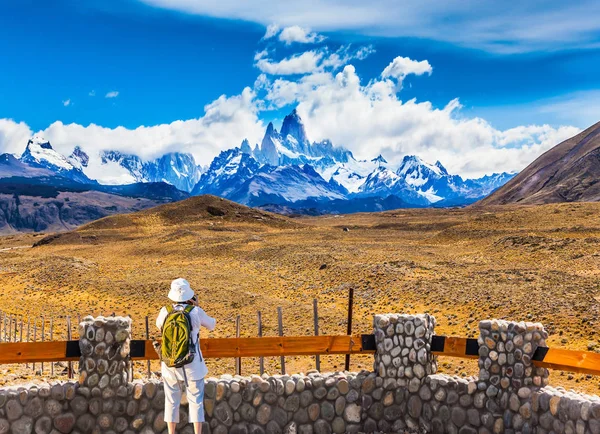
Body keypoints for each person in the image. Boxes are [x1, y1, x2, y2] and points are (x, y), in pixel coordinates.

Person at [156, 278, 216, 434]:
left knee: (171, 401)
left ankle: (171, 432)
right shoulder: (195, 312)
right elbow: (212, 325)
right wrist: (197, 306)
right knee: (195, 401)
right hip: (192, 364)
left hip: (170, 364)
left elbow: (158, 326)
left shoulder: (165, 311)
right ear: (189, 295)